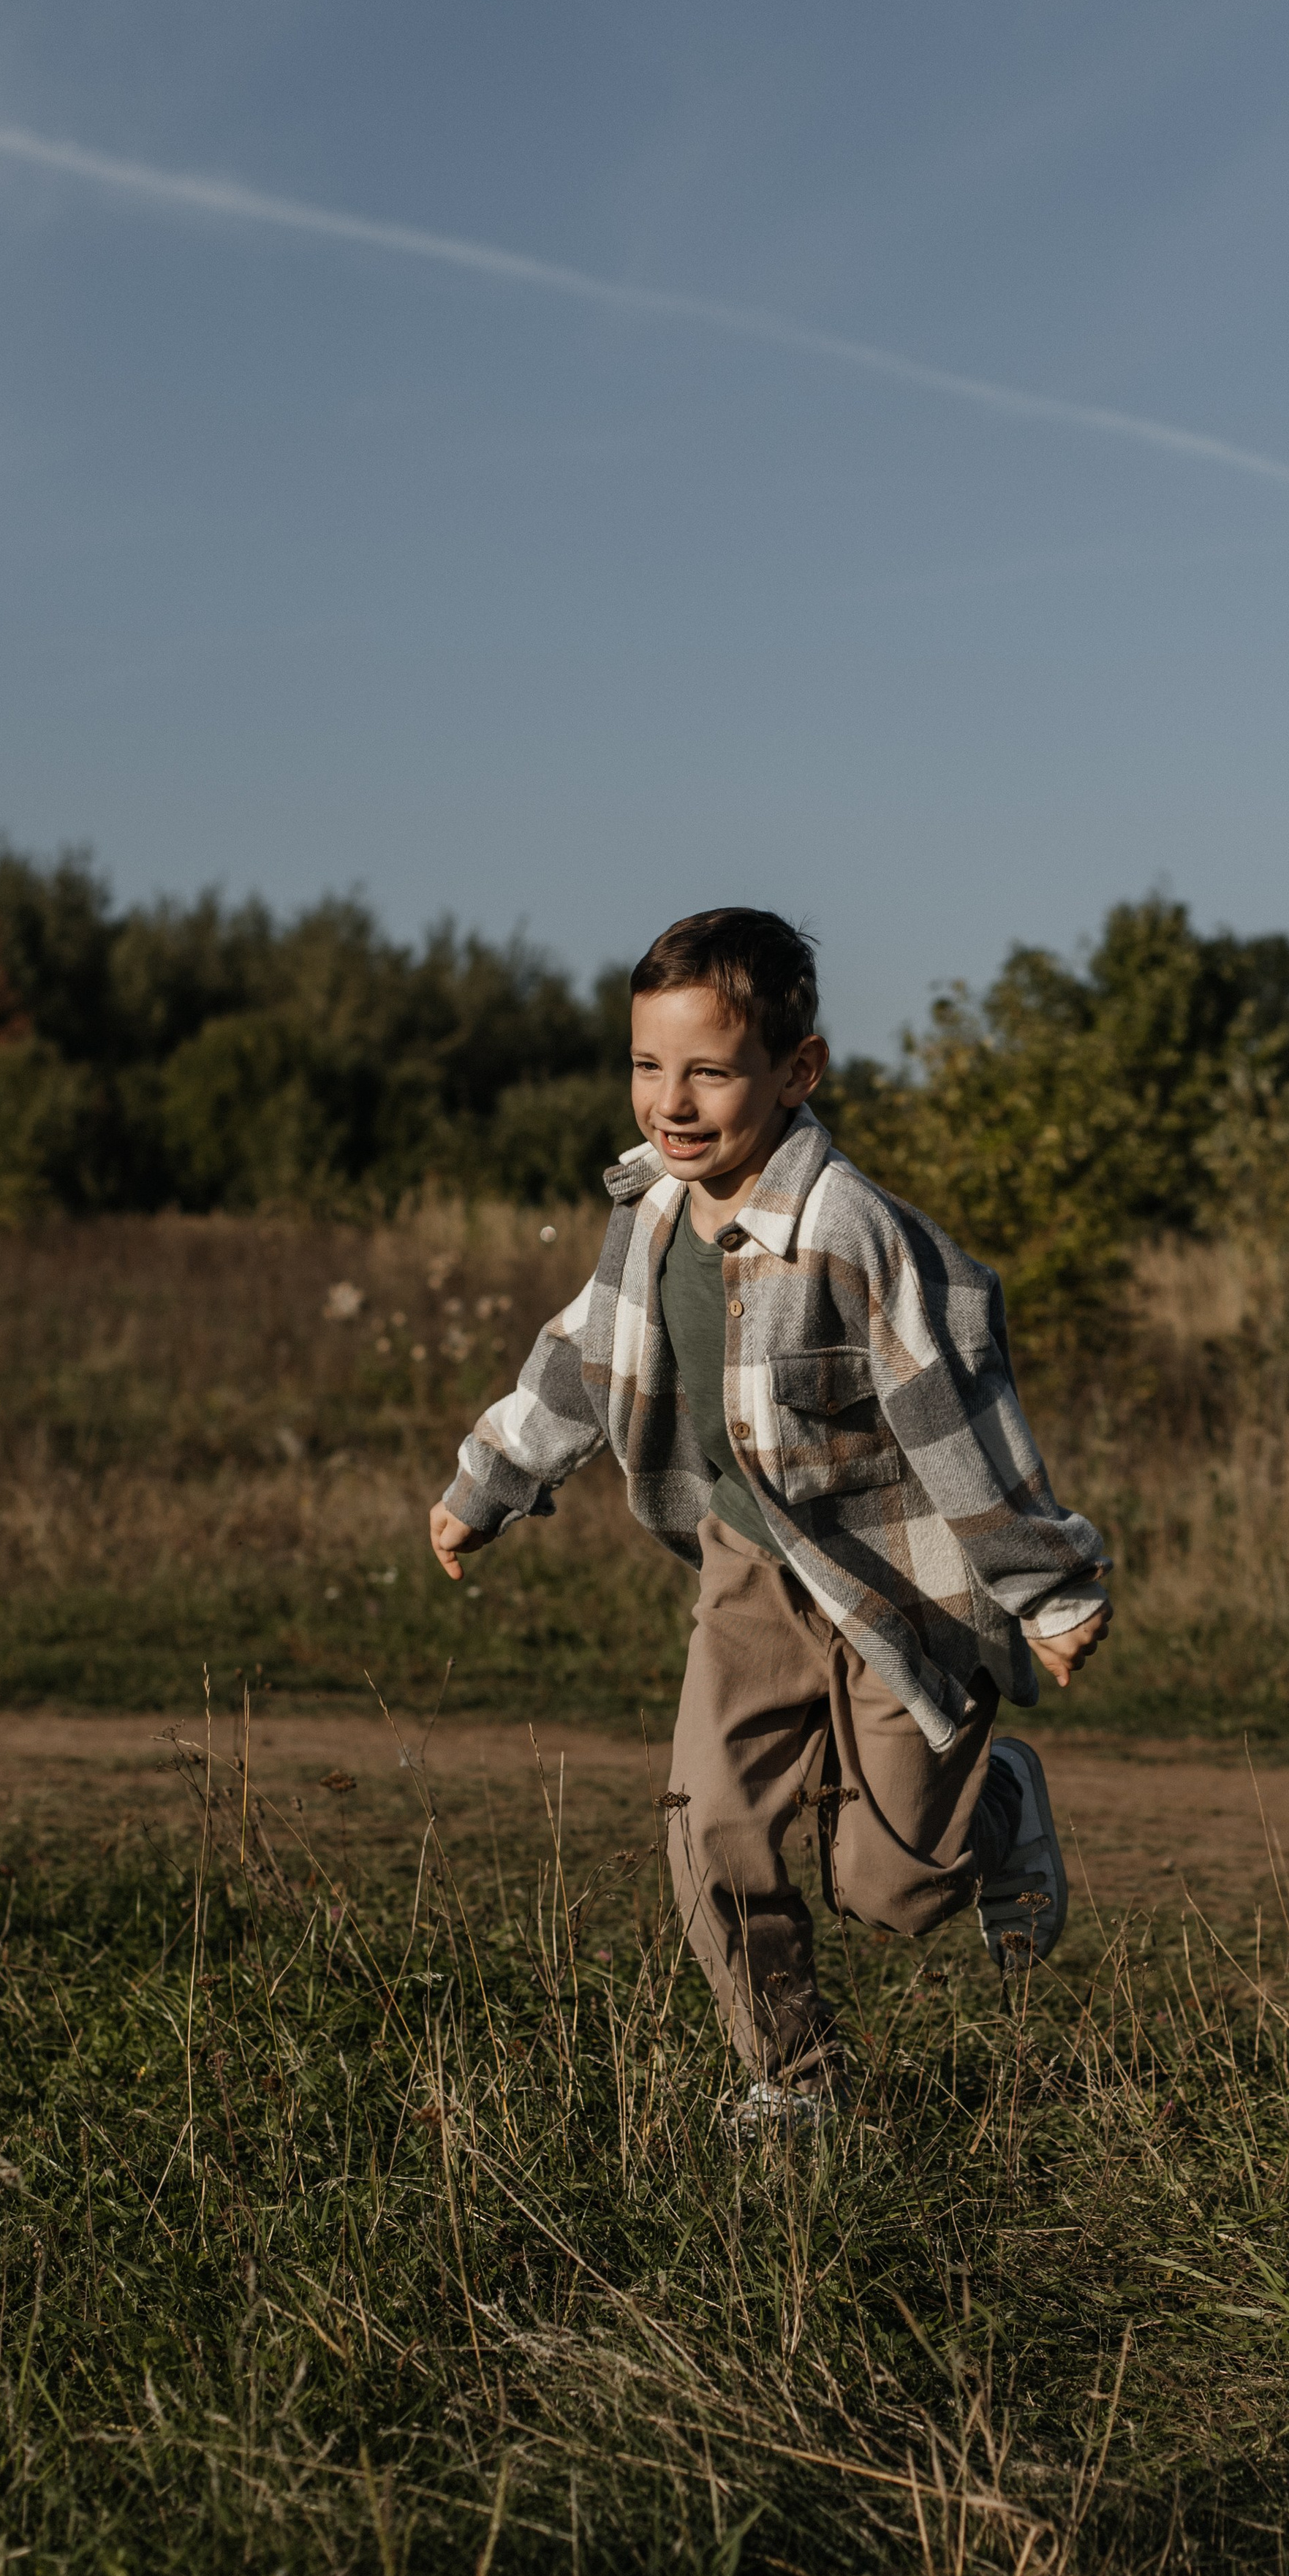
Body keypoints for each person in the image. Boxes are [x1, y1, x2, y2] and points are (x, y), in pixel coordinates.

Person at [429, 908, 1111, 2128]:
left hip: (896, 1585)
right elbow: (586, 1352)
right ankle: (797, 2079)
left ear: (798, 1072)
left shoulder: (848, 1230)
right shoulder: (647, 1214)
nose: (671, 1103)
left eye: (709, 1071)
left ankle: (998, 1800)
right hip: (748, 1572)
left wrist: (1047, 1588)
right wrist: (492, 1480)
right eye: (648, 1065)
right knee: (707, 1830)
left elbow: (954, 1411)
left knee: (892, 1890)